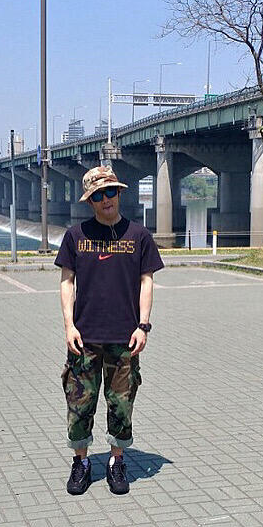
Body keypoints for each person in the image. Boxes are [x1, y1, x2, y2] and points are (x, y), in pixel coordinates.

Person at [55, 166, 164, 495]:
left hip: (124, 338)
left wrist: (143, 325)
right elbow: (67, 282)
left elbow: (147, 281)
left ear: (119, 193)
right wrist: (69, 325)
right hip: (84, 338)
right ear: (90, 201)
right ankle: (81, 462)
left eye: (111, 192)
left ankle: (117, 461)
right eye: (99, 195)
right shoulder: (76, 236)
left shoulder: (138, 236)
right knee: (79, 405)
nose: (107, 199)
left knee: (121, 405)